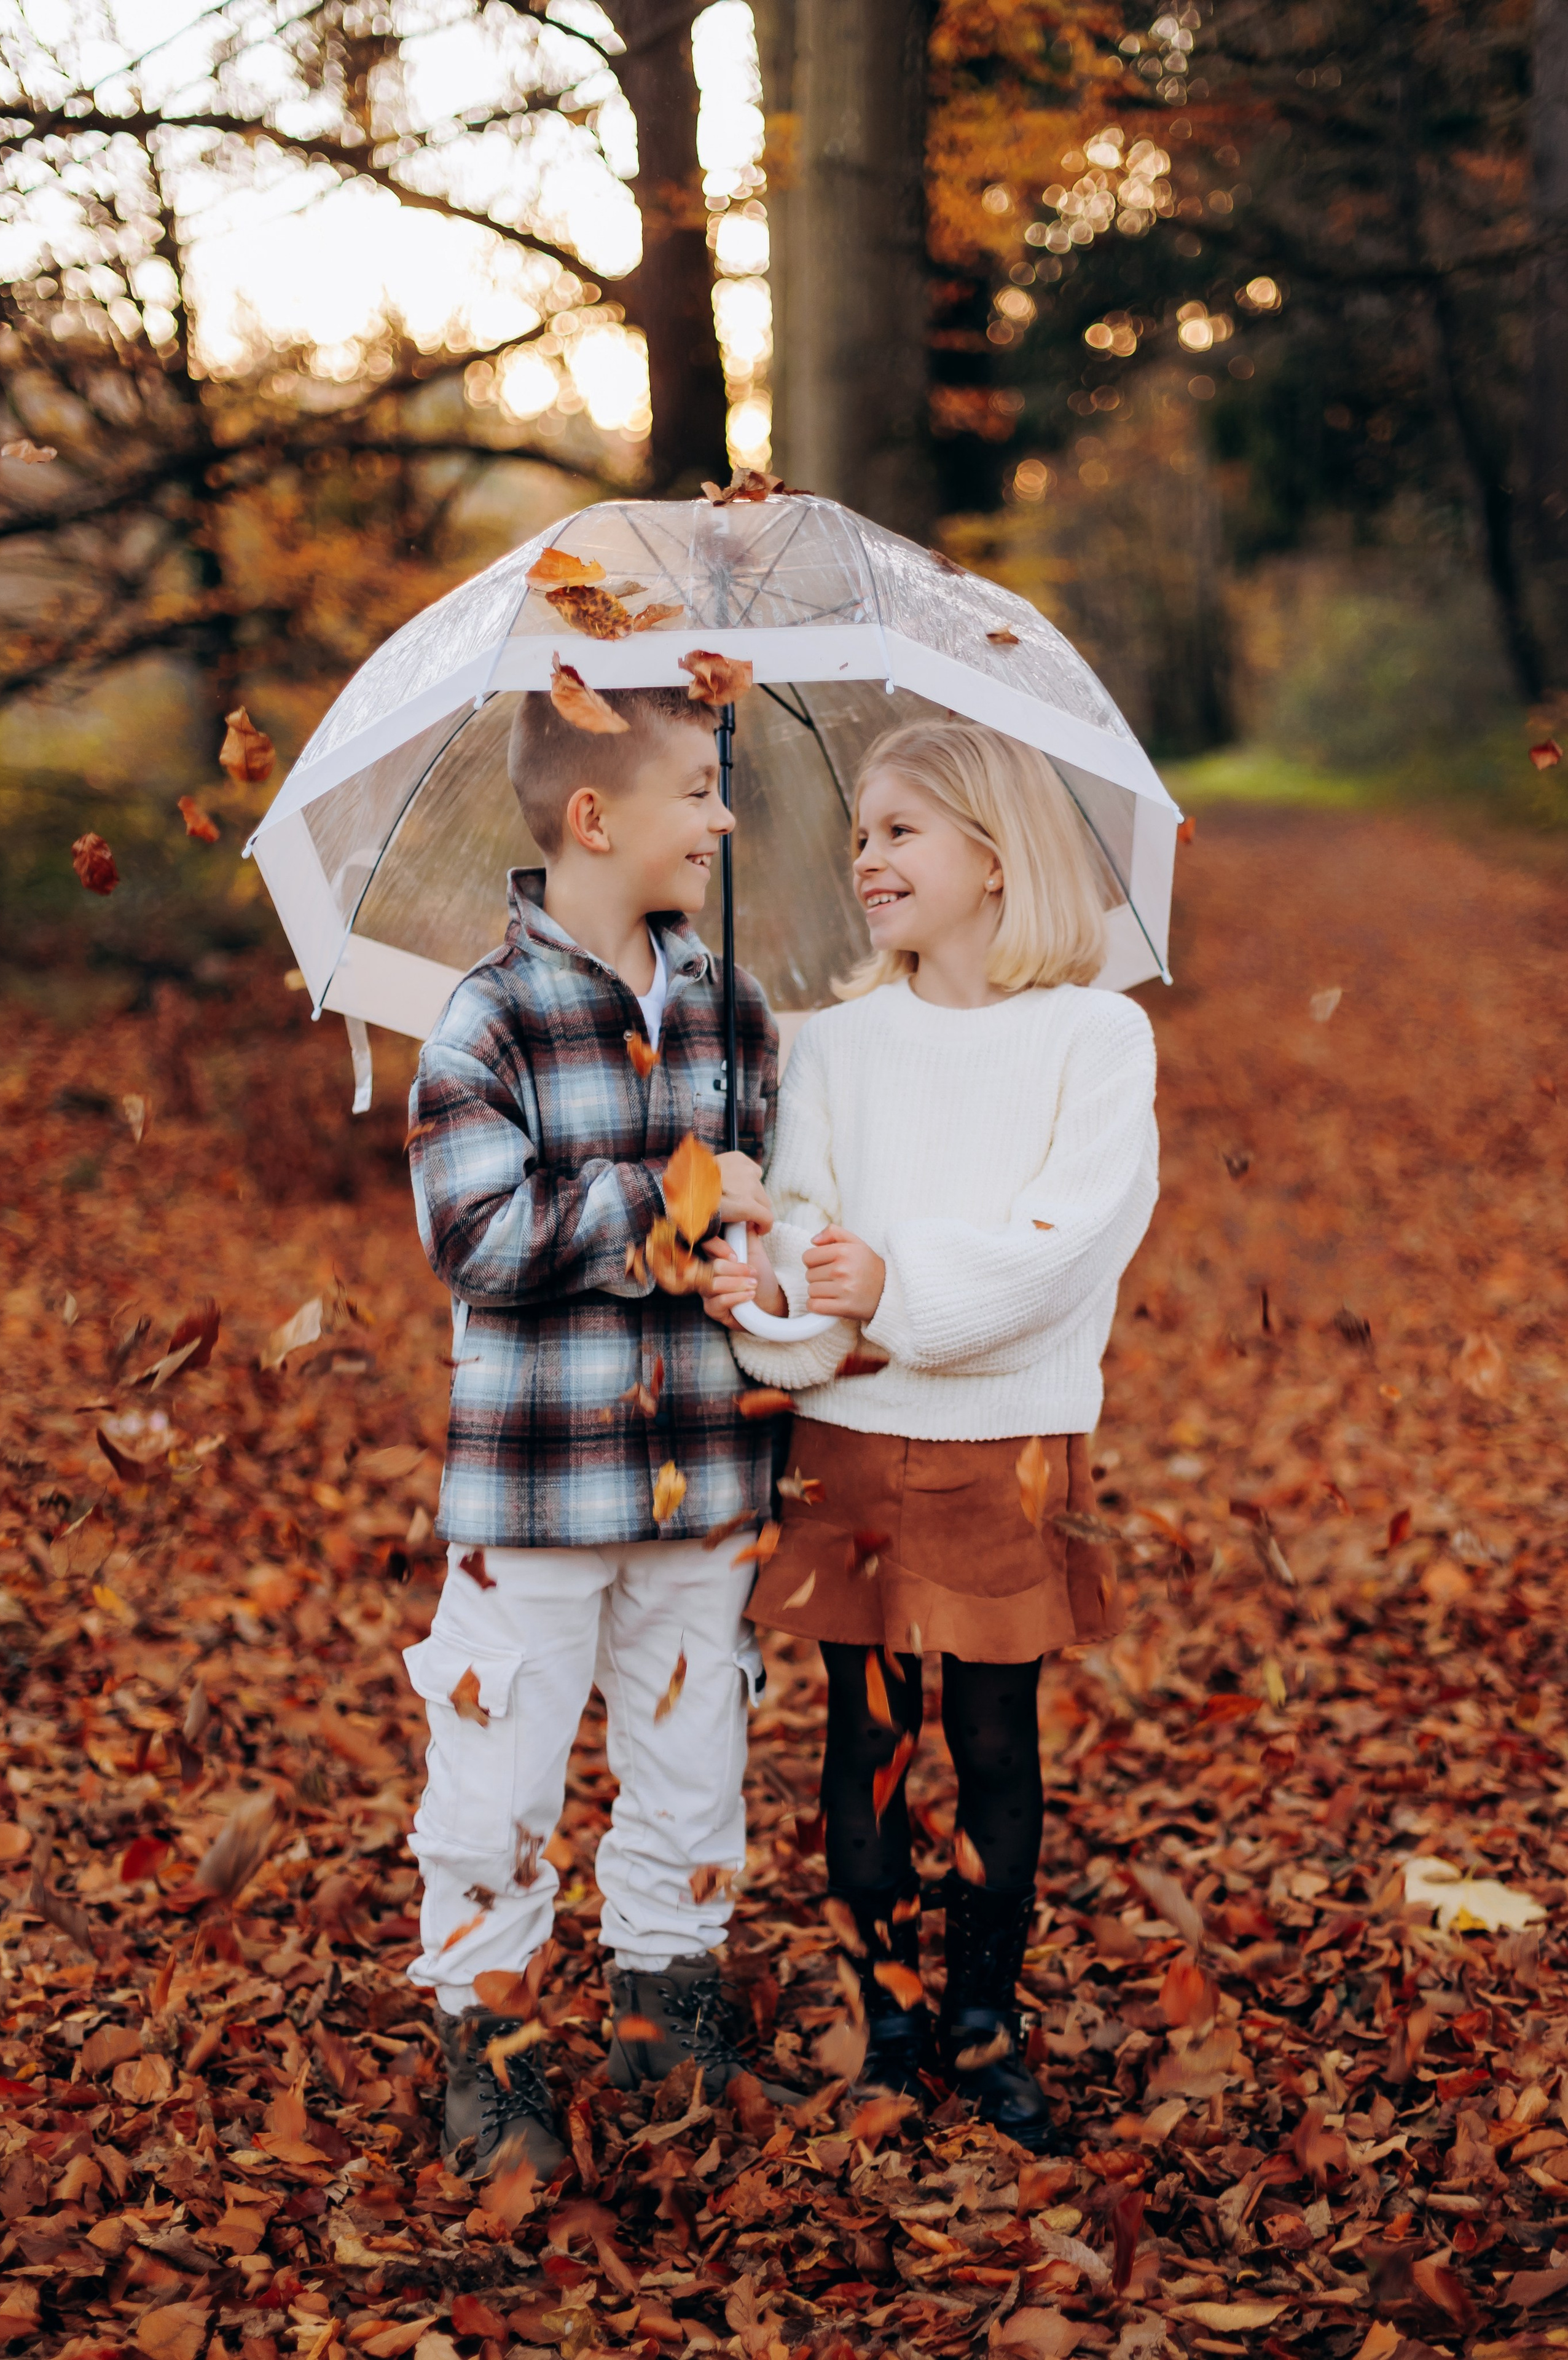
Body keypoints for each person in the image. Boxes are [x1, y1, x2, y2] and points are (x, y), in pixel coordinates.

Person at [704, 717, 1158, 2151]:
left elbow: (1071, 1237)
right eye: (860, 838)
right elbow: (804, 1217)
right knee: (869, 1739)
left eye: (900, 831)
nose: (869, 859)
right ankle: (890, 2018)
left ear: (990, 851)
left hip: (1005, 1442)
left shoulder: (1092, 1035)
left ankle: (985, 2019)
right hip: (855, 1434)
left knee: (993, 1740)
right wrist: (766, 1295)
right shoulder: (827, 1041)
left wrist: (903, 1283)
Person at [404, 682, 792, 2182]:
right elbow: (479, 1239)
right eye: (697, 789)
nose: (721, 817)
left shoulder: (732, 1009)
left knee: (692, 1745)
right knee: (498, 1765)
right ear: (592, 817)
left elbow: (760, 1211)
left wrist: (753, 1262)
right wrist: (672, 1194)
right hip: (537, 1481)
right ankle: (487, 2036)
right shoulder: (485, 1015)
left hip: (701, 1460)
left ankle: (665, 2004)